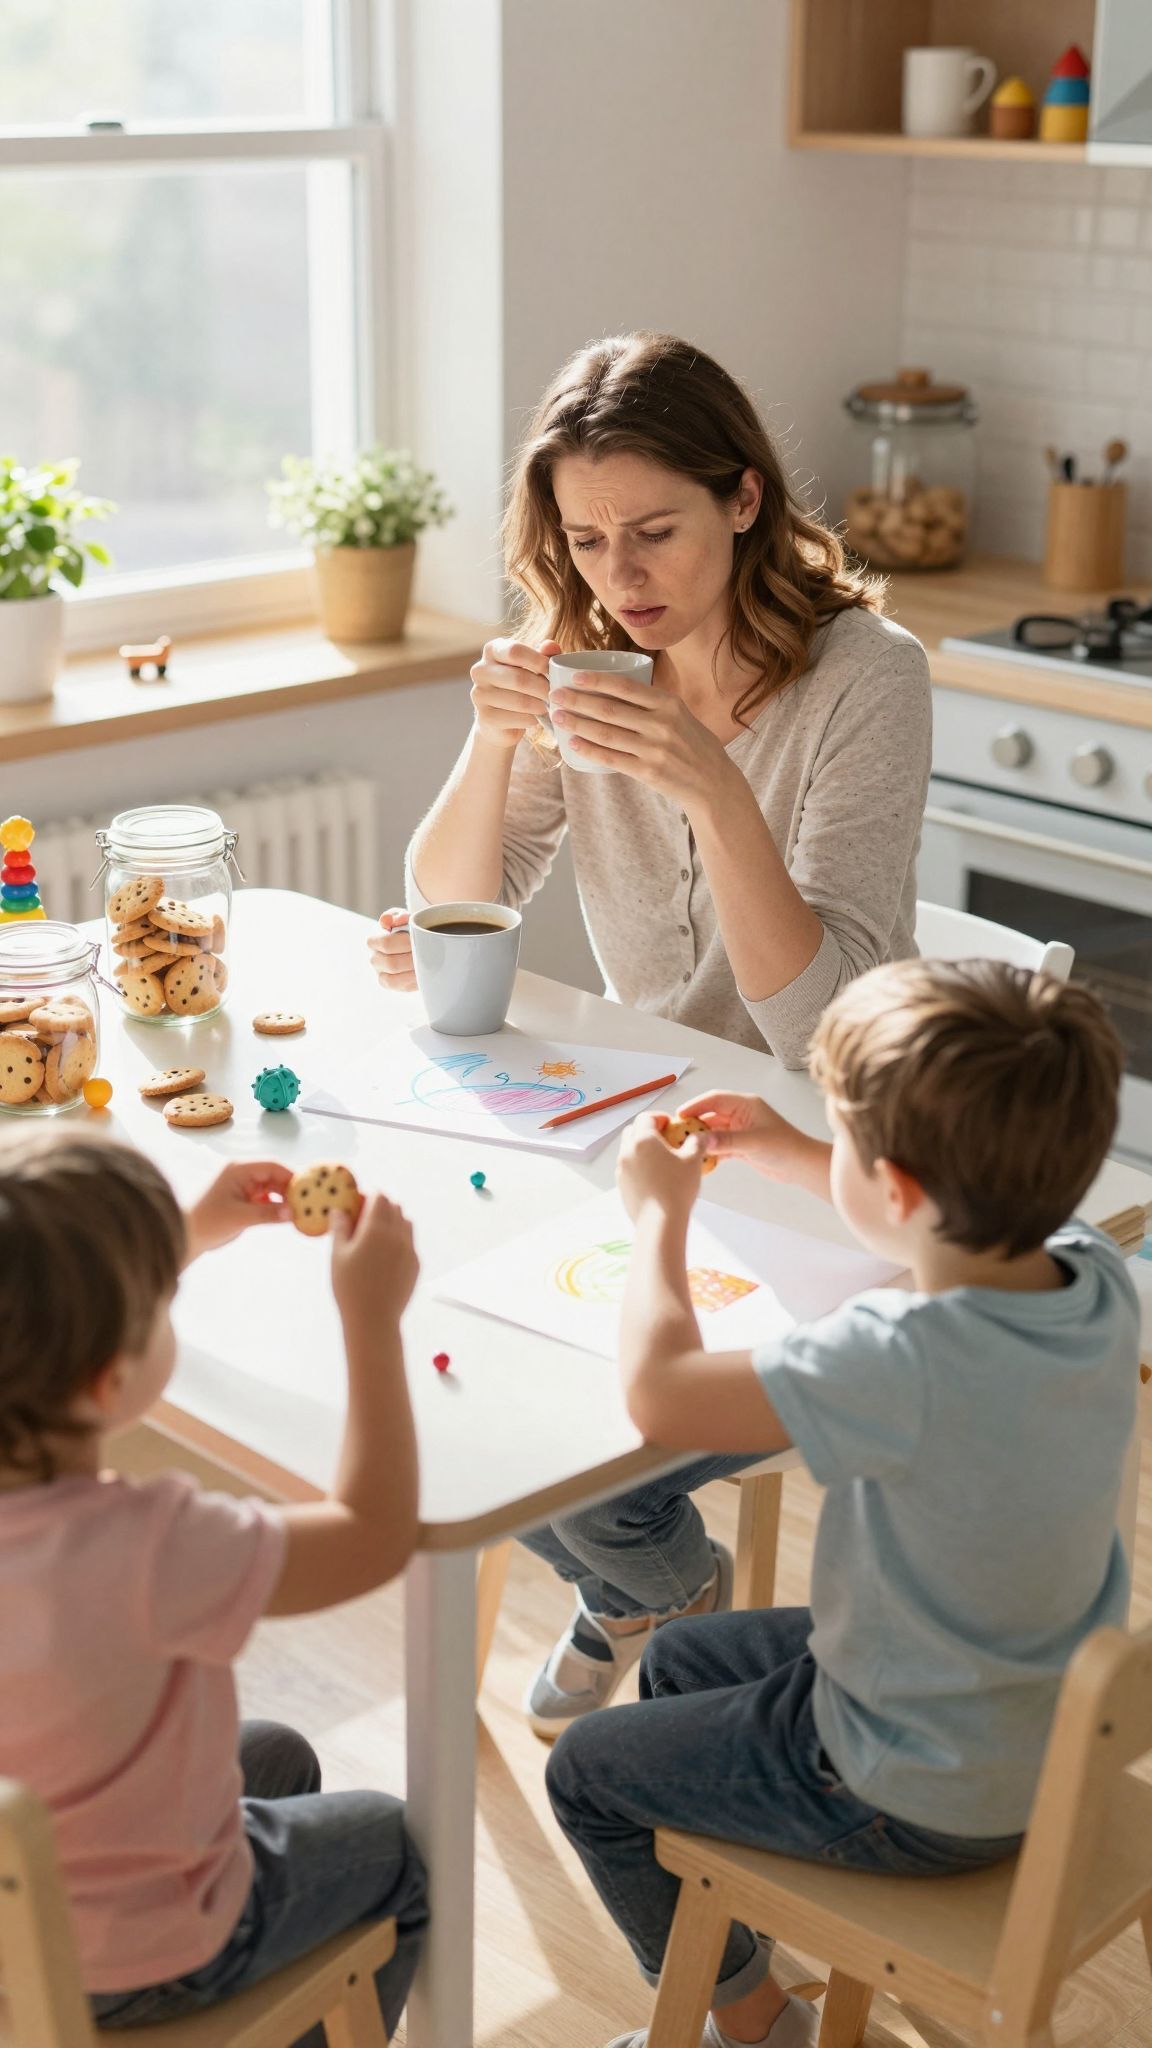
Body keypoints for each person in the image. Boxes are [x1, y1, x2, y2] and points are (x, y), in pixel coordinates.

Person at [368, 331, 934, 1732]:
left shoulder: (870, 679)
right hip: (655, 1136)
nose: (623, 578)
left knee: (591, 1447)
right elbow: (454, 905)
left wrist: (715, 793)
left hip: (838, 1161)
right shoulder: (597, 662)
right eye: (587, 540)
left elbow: (828, 1026)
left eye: (657, 532)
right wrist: (495, 735)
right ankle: (653, 1592)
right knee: (455, 1366)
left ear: (744, 498)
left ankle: (650, 1588)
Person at [545, 958, 1138, 2048]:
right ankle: (740, 1940)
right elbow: (932, 1213)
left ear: (900, 1189)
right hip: (1025, 1714)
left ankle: (752, 2021)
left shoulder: (897, 1357)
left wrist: (657, 1220)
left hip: (911, 1782)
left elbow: (660, 1388)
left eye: (847, 1139)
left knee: (586, 1771)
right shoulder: (1092, 1270)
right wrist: (789, 1146)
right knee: (681, 1662)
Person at [0, 1129, 427, 2044]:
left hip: (15, 1925)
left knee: (274, 1756)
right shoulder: (149, 1545)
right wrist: (371, 1319)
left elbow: (44, 1312)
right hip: (140, 1955)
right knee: (400, 1847)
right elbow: (372, 1533)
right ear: (111, 1377)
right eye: (158, 1306)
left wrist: (185, 1233)